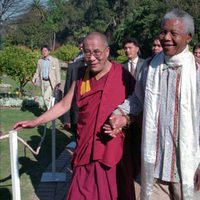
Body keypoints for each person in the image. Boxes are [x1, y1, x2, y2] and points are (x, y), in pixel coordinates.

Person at [14, 32, 135, 200]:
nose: (91, 58)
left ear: (107, 51)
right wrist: (36, 121)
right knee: (80, 193)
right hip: (85, 147)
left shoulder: (122, 75)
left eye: (96, 52)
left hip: (110, 149)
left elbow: (137, 108)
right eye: (87, 52)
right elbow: (64, 104)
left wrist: (124, 121)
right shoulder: (81, 75)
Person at [104, 9, 200, 199]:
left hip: (187, 169)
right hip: (154, 164)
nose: (166, 37)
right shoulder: (150, 67)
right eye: (163, 32)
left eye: (174, 33)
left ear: (189, 37)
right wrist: (122, 115)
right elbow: (138, 99)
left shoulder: (196, 72)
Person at [62, 58, 86, 133]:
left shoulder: (105, 69)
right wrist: (66, 119)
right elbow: (67, 93)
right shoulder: (73, 67)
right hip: (76, 113)